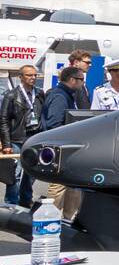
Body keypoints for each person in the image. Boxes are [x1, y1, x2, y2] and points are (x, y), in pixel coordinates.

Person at [39, 64, 85, 219]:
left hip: (64, 148)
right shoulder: (60, 96)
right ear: (72, 80)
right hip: (60, 149)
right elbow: (54, 124)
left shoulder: (65, 94)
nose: (82, 83)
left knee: (71, 186)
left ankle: (68, 219)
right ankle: (48, 220)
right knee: (58, 186)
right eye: (81, 80)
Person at [1, 65, 45, 207]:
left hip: (34, 139)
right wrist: (6, 144)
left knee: (31, 172)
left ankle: (25, 200)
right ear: (20, 77)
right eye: (29, 75)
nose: (32, 78)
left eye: (35, 75)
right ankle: (11, 202)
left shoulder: (39, 93)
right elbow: (3, 120)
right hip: (17, 140)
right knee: (16, 174)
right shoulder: (11, 95)